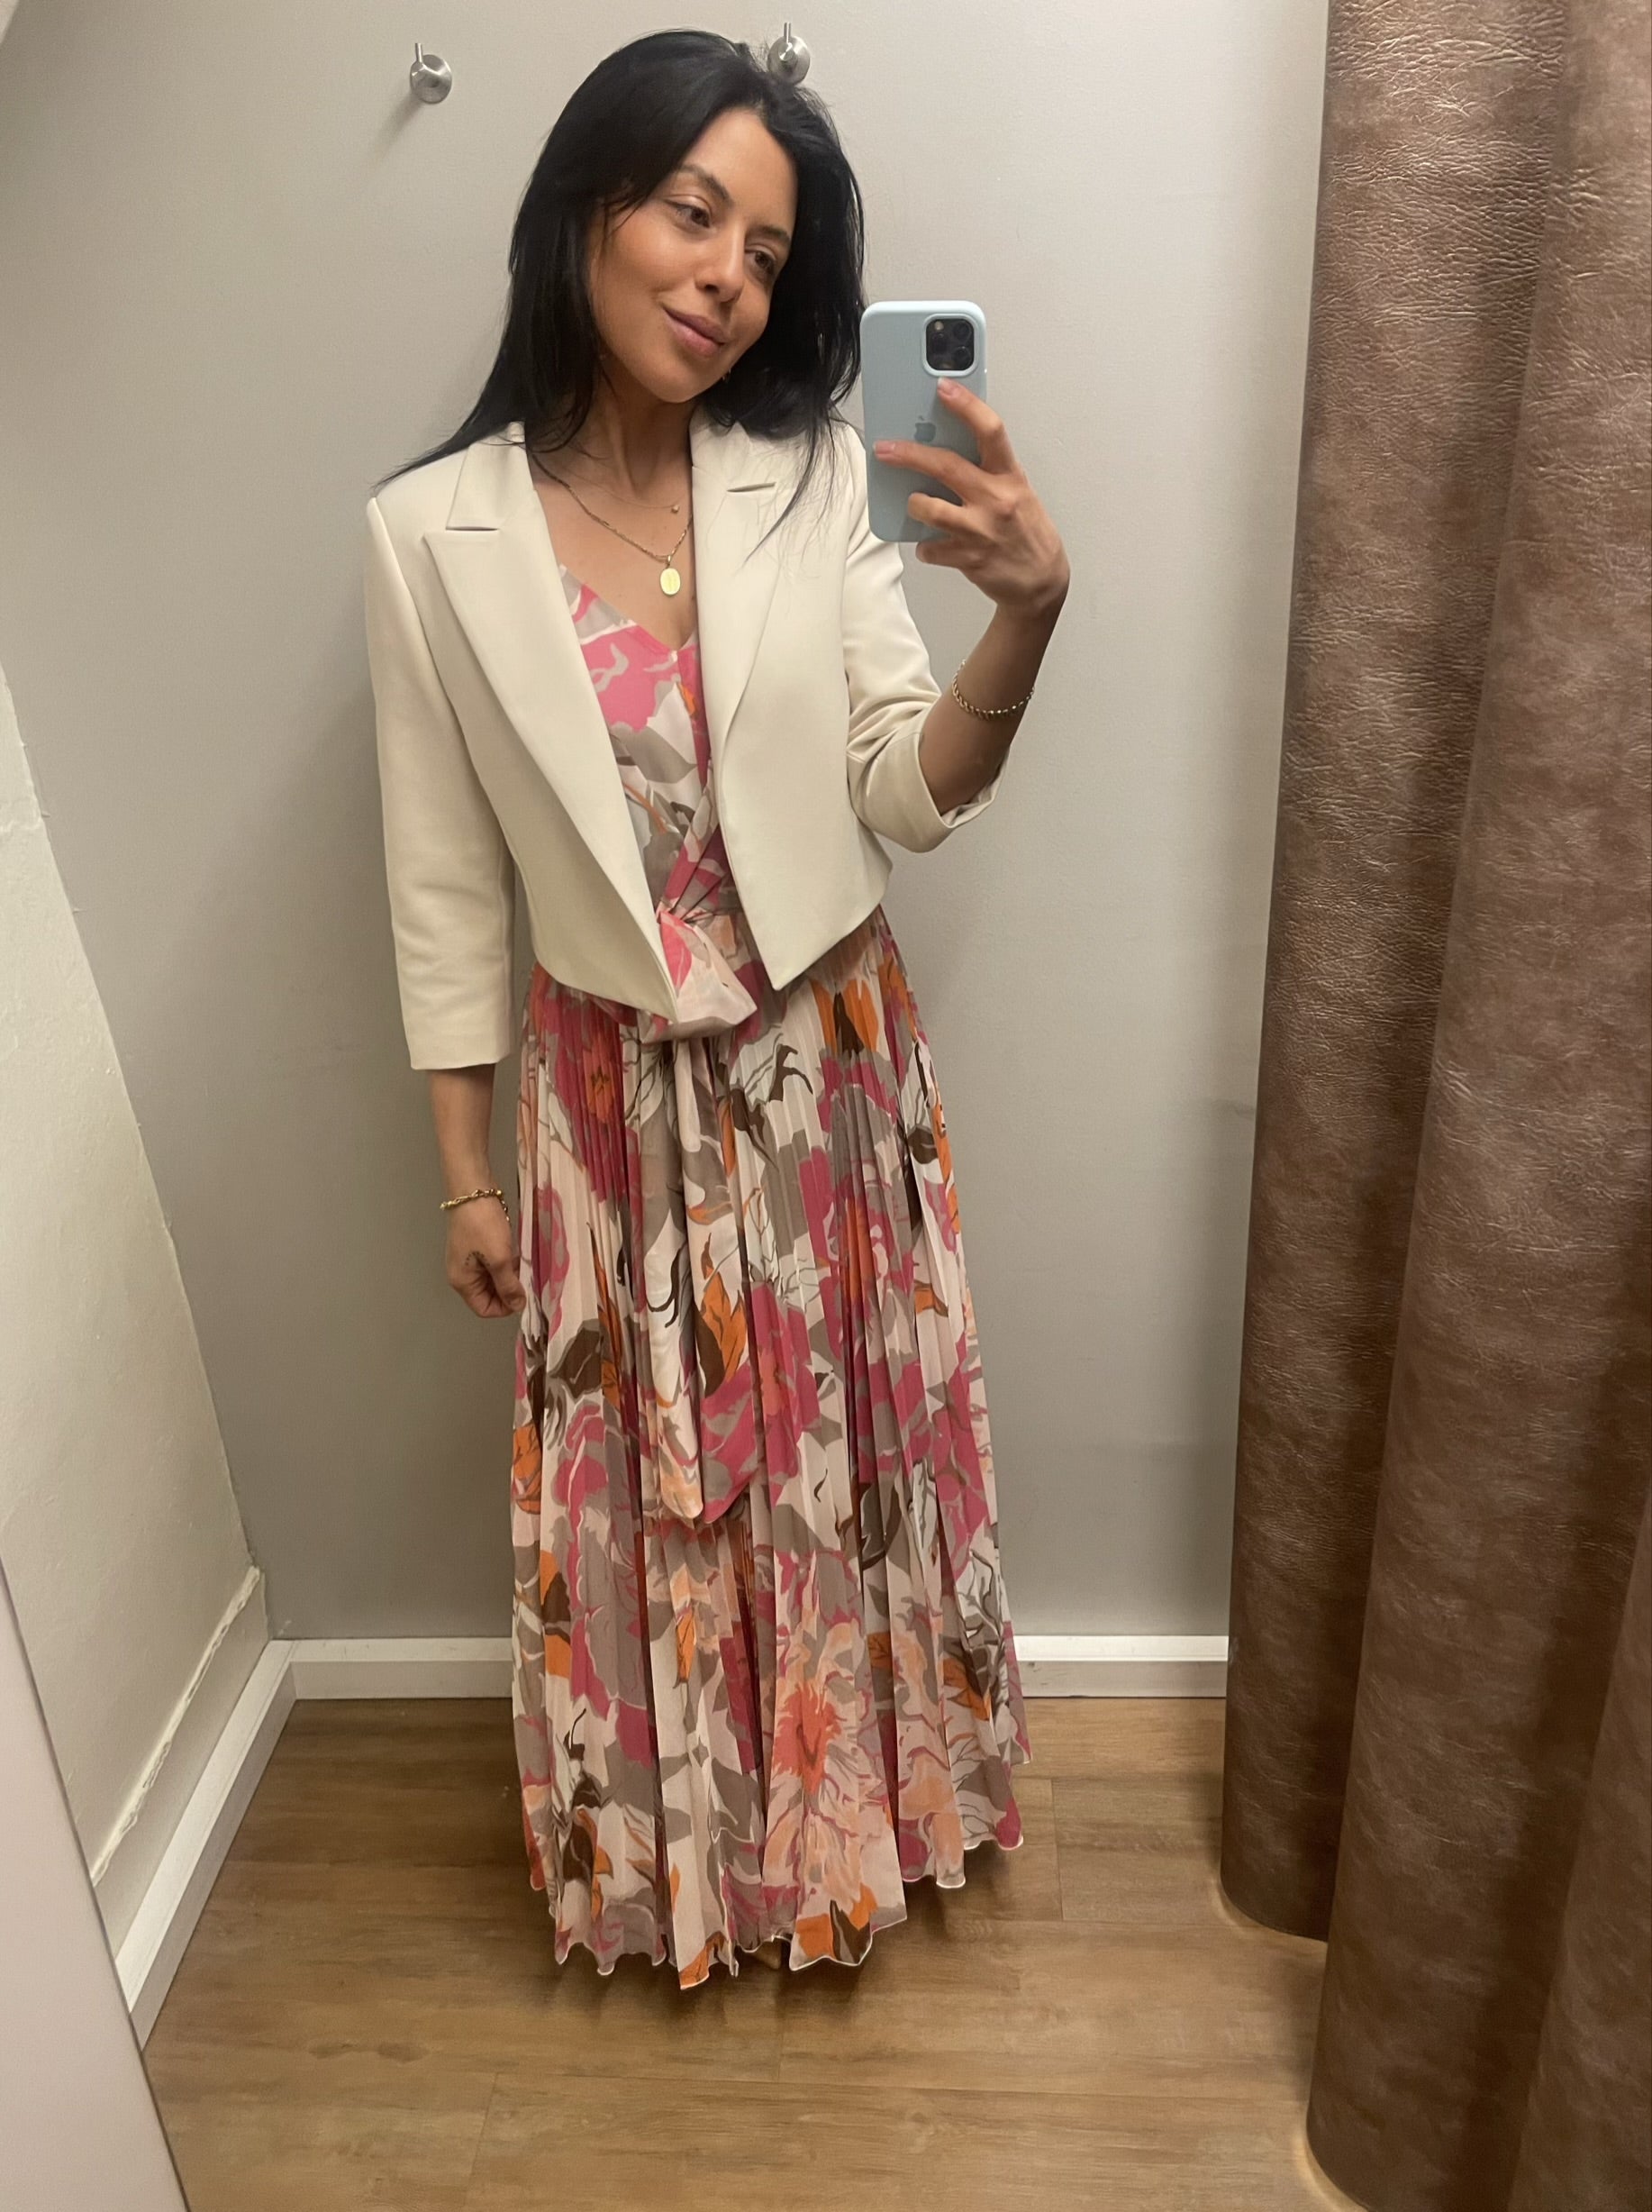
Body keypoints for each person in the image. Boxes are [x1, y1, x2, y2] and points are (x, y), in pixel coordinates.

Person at [362, 29, 1069, 1989]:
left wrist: (1021, 616)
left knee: (851, 1462)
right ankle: (694, 1869)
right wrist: (461, 1174)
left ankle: (867, 1827)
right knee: (659, 1502)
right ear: (587, 206)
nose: (725, 279)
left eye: (765, 252)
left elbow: (901, 791)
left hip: (828, 1068)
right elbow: (442, 882)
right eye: (693, 214)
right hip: (608, 1101)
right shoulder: (428, 539)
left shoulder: (812, 476)